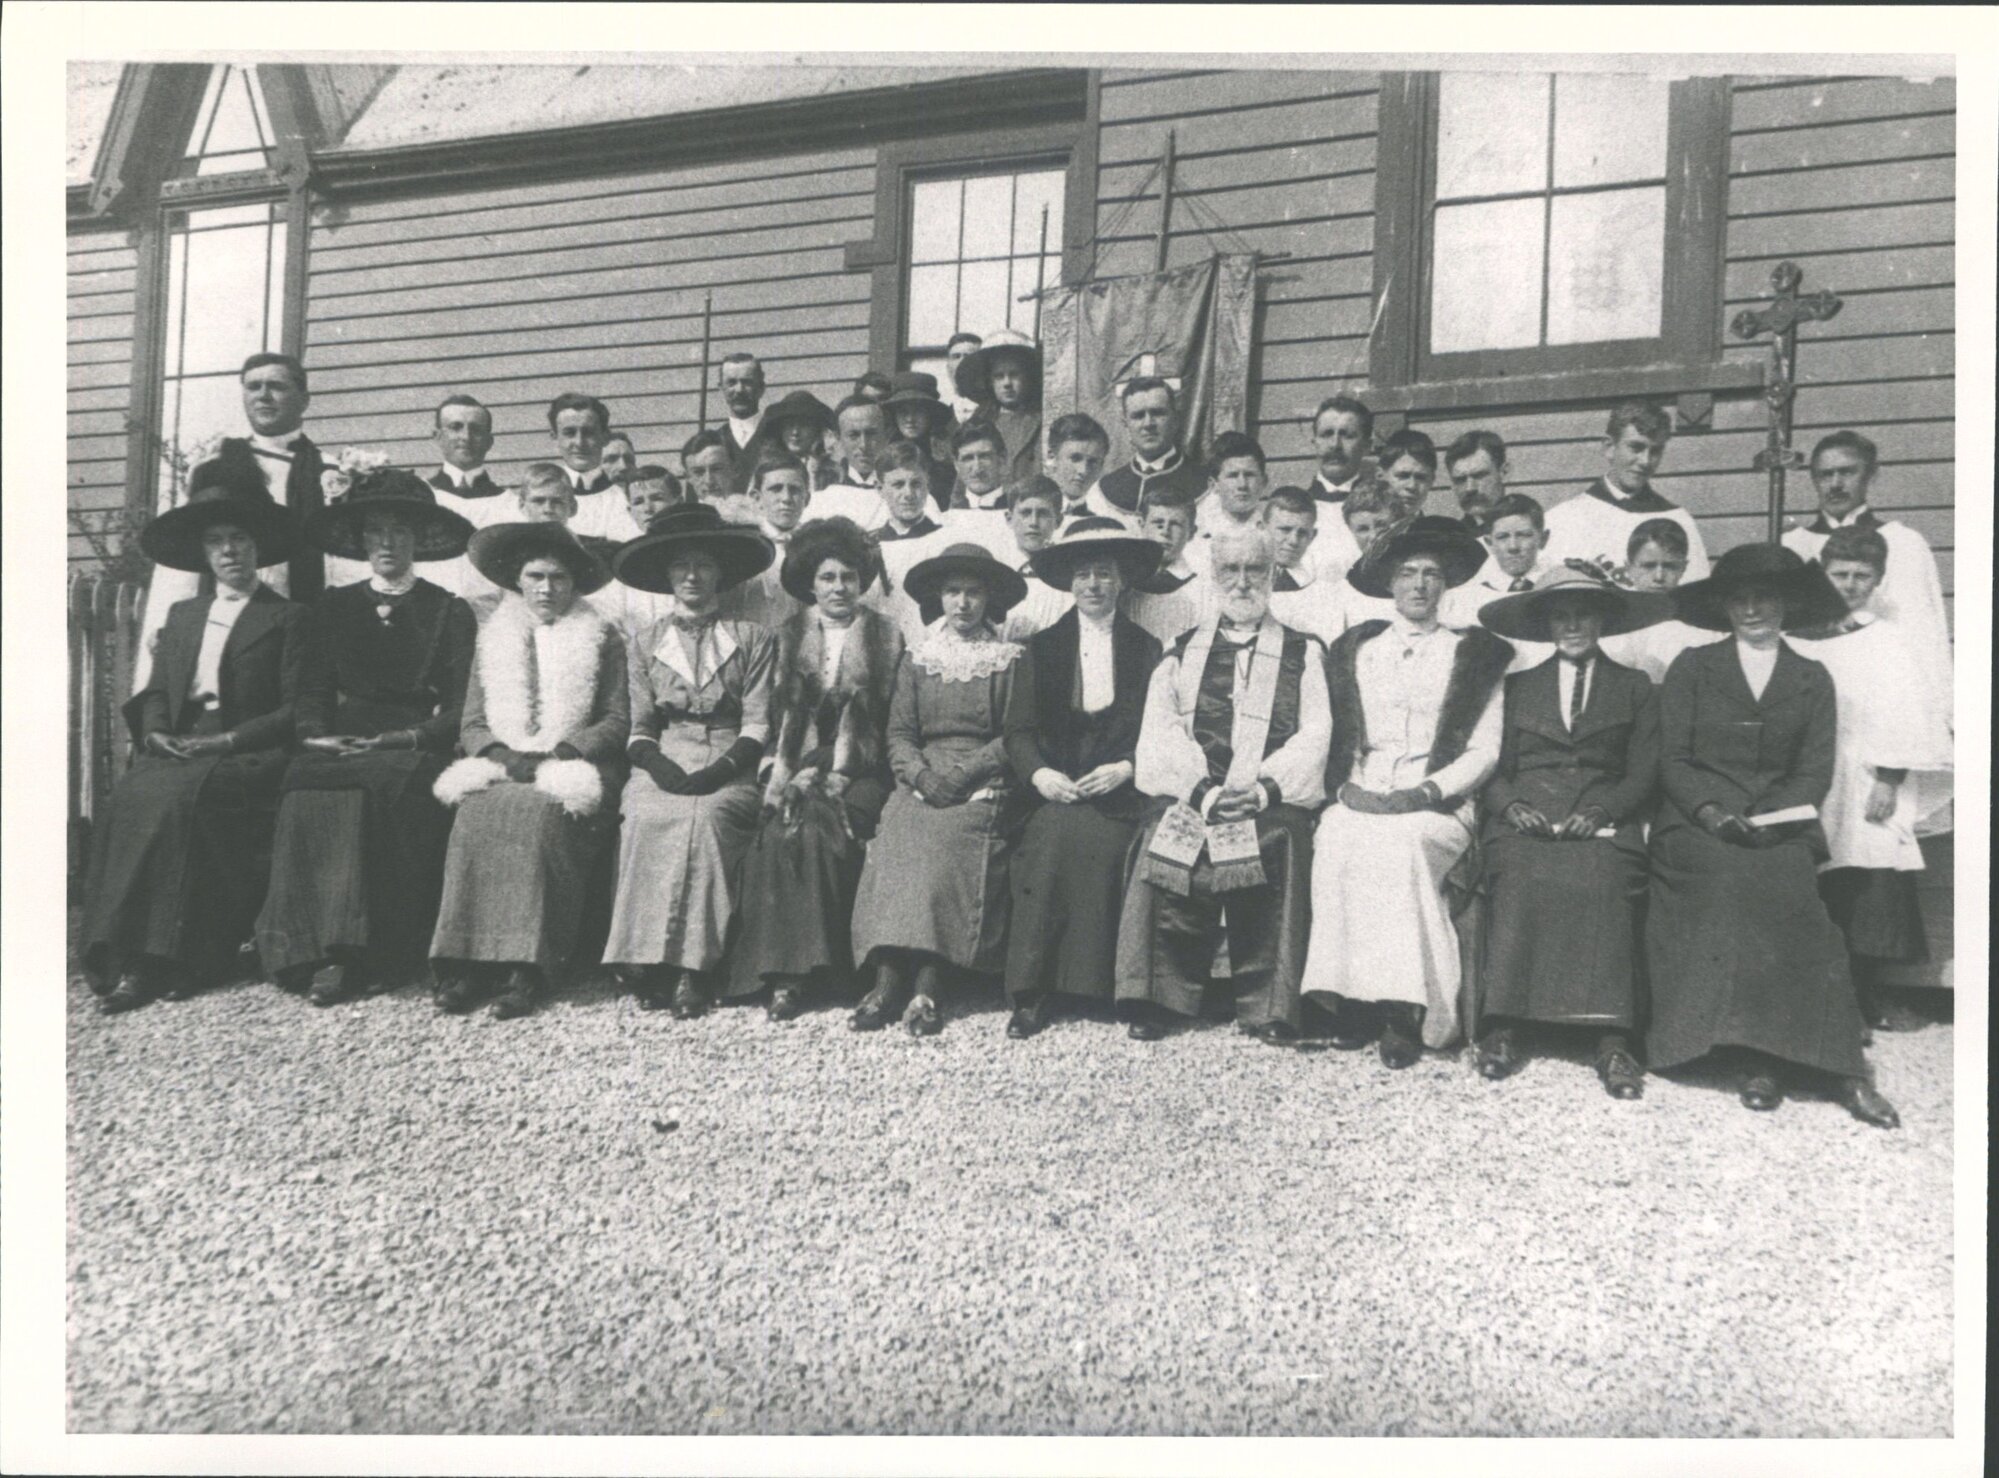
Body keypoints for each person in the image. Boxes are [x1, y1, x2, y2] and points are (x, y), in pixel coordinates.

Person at [1643, 544, 1898, 1127]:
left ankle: (1843, 1071)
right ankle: (1750, 1055)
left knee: (1795, 901)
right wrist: (1711, 811)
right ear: (1725, 607)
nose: (1752, 609)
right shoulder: (1693, 667)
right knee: (1728, 885)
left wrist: (1771, 818)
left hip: (1779, 827)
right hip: (1697, 825)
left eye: (1765, 598)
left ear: (1786, 605)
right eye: (1740, 598)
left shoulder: (1811, 677)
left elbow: (1814, 770)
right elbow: (1673, 759)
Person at [77, 462, 306, 1013]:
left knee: (182, 803)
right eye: (217, 542)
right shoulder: (184, 615)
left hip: (248, 751)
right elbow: (156, 691)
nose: (229, 552)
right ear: (204, 554)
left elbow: (298, 708)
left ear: (258, 548)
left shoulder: (289, 617)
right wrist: (155, 732)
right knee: (133, 795)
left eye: (240, 540)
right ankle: (123, 952)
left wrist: (225, 742)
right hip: (181, 746)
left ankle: (173, 960)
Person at [255, 469, 478, 1005]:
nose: (387, 542)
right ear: (360, 541)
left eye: (399, 531)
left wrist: (406, 736)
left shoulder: (448, 610)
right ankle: (310, 950)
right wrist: (316, 736)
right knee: (304, 785)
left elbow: (462, 706)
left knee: (386, 790)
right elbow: (310, 692)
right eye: (375, 531)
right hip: (342, 740)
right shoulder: (332, 608)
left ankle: (373, 953)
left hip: (413, 743)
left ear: (418, 541)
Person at [1303, 516, 1512, 1067]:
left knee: (1403, 848)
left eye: (1432, 575)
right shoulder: (1360, 649)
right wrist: (1349, 791)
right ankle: (1350, 1001)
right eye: (1409, 574)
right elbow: (1345, 735)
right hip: (1366, 791)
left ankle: (1404, 1010)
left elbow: (1485, 750)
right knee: (1337, 840)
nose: (1420, 585)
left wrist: (1425, 792)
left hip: (1438, 801)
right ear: (1390, 585)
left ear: (1445, 587)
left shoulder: (1472, 653)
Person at [1114, 524, 1330, 1043]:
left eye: (1254, 569)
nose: (1242, 582)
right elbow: (1160, 733)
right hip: (1199, 794)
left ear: (1274, 574)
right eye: (1229, 570)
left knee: (1282, 839)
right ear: (1213, 576)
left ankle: (1270, 1006)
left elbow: (1316, 731)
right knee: (1165, 833)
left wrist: (1262, 791)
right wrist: (1204, 793)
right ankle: (1160, 998)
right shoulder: (1182, 649)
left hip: (1267, 799)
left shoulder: (1305, 652)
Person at [1471, 566, 1668, 1098]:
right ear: (1546, 624)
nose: (1573, 624)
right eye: (1561, 614)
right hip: (1525, 818)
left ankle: (1612, 1037)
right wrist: (1510, 806)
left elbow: (1644, 771)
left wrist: (1605, 810)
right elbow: (1488, 764)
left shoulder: (1635, 688)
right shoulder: (1515, 688)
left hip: (1601, 821)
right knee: (1521, 872)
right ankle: (1504, 1026)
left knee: (1606, 877)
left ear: (1601, 619)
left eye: (1583, 613)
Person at [428, 523, 629, 1019]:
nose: (546, 588)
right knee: (474, 816)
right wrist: (502, 755)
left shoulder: (602, 636)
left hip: (575, 764)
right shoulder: (494, 636)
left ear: (575, 583)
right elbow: (472, 719)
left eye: (558, 577)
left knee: (541, 817)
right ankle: (468, 964)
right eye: (534, 576)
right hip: (505, 760)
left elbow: (616, 718)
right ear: (517, 581)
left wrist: (563, 751)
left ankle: (527, 968)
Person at [601, 505, 777, 1017]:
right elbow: (639, 728)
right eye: (682, 567)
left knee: (707, 818)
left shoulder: (752, 638)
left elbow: (759, 723)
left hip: (731, 755)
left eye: (703, 565)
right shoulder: (644, 643)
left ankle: (693, 969)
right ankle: (643, 960)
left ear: (720, 572)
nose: (693, 577)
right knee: (648, 816)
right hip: (664, 755)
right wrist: (664, 770)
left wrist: (719, 771)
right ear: (667, 576)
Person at [726, 518, 905, 1020]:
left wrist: (835, 769)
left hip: (864, 770)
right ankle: (781, 976)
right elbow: (773, 716)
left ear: (861, 581)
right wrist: (780, 771)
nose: (839, 588)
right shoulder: (787, 635)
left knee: (819, 830)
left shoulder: (886, 637)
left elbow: (889, 725)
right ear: (811, 583)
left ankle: (816, 973)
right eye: (828, 578)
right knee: (774, 835)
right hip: (792, 765)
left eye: (848, 577)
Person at [849, 543, 1027, 1037]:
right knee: (900, 836)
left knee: (947, 848)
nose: (962, 604)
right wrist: (923, 777)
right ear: (939, 598)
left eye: (973, 593)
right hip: (923, 777)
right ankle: (887, 979)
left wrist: (962, 776)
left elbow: (1013, 736)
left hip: (983, 781)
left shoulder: (1008, 659)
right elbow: (900, 734)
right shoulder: (918, 658)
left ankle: (929, 983)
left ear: (988, 600)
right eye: (953, 592)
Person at [1001, 519, 1164, 1038]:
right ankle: (1034, 992)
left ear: (1121, 582)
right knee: (1049, 840)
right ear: (1070, 584)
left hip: (1121, 791)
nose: (1094, 585)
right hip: (1057, 790)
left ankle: (1123, 992)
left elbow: (1162, 728)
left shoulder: (1147, 648)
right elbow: (1018, 732)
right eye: (1084, 574)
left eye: (1105, 574)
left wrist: (1129, 767)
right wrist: (1042, 775)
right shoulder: (1041, 648)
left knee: (1124, 846)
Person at [1794, 525, 1953, 1034]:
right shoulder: (1802, 635)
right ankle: (1824, 998)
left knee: (1869, 881)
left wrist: (1888, 778)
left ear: (1879, 580)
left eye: (1862, 575)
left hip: (1868, 774)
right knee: (1813, 878)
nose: (1850, 584)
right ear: (1822, 575)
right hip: (1814, 773)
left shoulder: (1887, 639)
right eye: (1840, 574)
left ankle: (1869, 992)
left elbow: (1905, 714)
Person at [133, 353, 327, 691]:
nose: (263, 396)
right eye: (254, 387)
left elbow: (338, 564)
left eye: (277, 386)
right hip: (224, 613)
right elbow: (187, 558)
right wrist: (169, 624)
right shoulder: (216, 465)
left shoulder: (327, 471)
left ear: (304, 400)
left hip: (296, 614)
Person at [1782, 429, 1952, 704]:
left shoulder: (1902, 542)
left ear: (1871, 475)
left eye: (1847, 472)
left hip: (1881, 687)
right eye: (1826, 475)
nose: (1835, 484)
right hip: (1809, 690)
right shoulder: (1792, 545)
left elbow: (1921, 632)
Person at [1542, 401, 1711, 581]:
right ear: (1609, 448)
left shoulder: (1678, 519)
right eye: (1636, 448)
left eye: (1655, 451)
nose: (1645, 461)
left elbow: (1695, 591)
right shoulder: (1564, 518)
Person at [1440, 493, 1557, 672]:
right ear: (1489, 542)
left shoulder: (1560, 590)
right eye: (1502, 537)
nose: (1513, 547)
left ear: (1543, 539)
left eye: (1524, 535)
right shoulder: (1459, 599)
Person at [1598, 519, 1723, 683]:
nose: (1659, 577)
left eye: (1670, 566)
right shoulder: (1609, 625)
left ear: (1683, 568)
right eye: (1648, 566)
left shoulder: (1704, 628)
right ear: (1628, 567)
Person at [861, 440, 952, 645]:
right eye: (898, 484)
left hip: (931, 643)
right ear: (880, 488)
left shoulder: (944, 542)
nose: (908, 494)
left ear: (928, 485)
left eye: (916, 483)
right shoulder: (868, 546)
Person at [1086, 377, 1208, 525]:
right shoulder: (1101, 493)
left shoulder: (1208, 488)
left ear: (1175, 419)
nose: (1148, 424)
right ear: (1126, 424)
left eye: (1157, 413)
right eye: (1138, 416)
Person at [726, 453, 814, 630]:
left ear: (807, 499)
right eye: (776, 489)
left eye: (795, 490)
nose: (786, 498)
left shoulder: (816, 545)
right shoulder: (744, 547)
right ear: (757, 498)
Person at [547, 392, 644, 544]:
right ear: (555, 437)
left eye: (589, 433)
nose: (579, 443)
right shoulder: (542, 498)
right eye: (569, 433)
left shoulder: (624, 498)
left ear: (604, 436)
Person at [953, 328, 1042, 488]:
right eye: (999, 376)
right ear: (990, 382)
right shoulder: (978, 422)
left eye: (1014, 375)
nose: (1007, 383)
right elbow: (962, 480)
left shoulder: (1042, 420)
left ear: (1028, 378)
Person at [994, 477, 1073, 641]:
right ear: (1009, 518)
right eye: (1025, 513)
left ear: (1058, 521)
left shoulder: (1067, 577)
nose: (1033, 523)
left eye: (1043, 514)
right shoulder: (997, 574)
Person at [1124, 493, 1208, 645]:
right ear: (1142, 525)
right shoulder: (1125, 585)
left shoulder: (1201, 592)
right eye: (1158, 523)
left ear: (1191, 532)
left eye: (1175, 524)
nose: (1165, 532)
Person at [809, 396, 894, 530]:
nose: (863, 445)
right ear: (838, 438)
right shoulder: (823, 495)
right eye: (853, 435)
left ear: (887, 435)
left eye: (871, 434)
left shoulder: (907, 488)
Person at [1190, 430, 1269, 551]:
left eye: (1249, 475)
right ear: (1213, 485)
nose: (1242, 485)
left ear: (1264, 482)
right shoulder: (1195, 529)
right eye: (1233, 476)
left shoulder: (1275, 527)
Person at [881, 371, 957, 495]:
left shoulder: (946, 457)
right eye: (903, 412)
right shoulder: (886, 452)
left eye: (918, 411)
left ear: (930, 414)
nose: (910, 419)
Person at [749, 390, 841, 492]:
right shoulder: (767, 469)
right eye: (789, 425)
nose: (795, 432)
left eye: (804, 425)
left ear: (816, 430)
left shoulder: (832, 471)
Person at [1045, 412, 1111, 525]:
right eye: (1075, 459)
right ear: (1052, 457)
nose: (1083, 471)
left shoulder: (1108, 516)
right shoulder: (1029, 511)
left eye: (1093, 462)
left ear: (1101, 465)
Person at [681, 427, 753, 523]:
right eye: (698, 472)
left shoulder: (755, 515)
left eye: (716, 469)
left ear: (735, 470)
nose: (708, 481)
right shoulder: (681, 521)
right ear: (688, 477)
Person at [1444, 429, 1510, 534]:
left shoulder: (1533, 529)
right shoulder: (1451, 540)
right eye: (1460, 480)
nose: (1470, 488)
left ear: (1503, 472)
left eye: (1479, 476)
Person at [945, 420, 1010, 514]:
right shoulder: (950, 516)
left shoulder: (1018, 511)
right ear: (956, 465)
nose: (977, 469)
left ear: (1002, 459)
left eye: (984, 457)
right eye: (968, 458)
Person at [1376, 427, 1438, 522]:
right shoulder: (1354, 532)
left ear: (1432, 481)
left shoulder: (1440, 534)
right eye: (1403, 476)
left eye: (1421, 477)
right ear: (1380, 476)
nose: (1412, 486)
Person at [717, 351, 768, 469]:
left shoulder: (778, 436)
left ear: (761, 388)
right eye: (731, 382)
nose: (739, 389)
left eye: (747, 382)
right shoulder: (714, 441)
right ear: (721, 389)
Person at [943, 331, 983, 424]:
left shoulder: (998, 413)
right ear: (948, 368)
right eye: (956, 356)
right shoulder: (939, 418)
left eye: (969, 357)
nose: (962, 363)